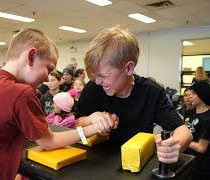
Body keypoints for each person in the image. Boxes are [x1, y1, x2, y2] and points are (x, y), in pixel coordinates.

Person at [0, 27, 118, 180]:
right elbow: (49, 142)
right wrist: (91, 129)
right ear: (30, 56)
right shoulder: (20, 92)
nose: (47, 77)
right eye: (49, 68)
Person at [75, 25, 192, 164]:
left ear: (129, 68)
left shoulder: (151, 92)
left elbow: (184, 132)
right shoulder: (94, 87)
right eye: (95, 76)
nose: (98, 81)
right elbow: (78, 124)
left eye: (103, 75)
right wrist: (91, 119)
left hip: (136, 164)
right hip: (97, 162)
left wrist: (174, 147)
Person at [183, 80, 210, 179]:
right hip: (186, 160)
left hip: (201, 166)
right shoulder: (189, 113)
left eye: (194, 93)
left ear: (202, 95)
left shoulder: (207, 119)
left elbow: (201, 147)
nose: (190, 96)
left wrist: (182, 140)